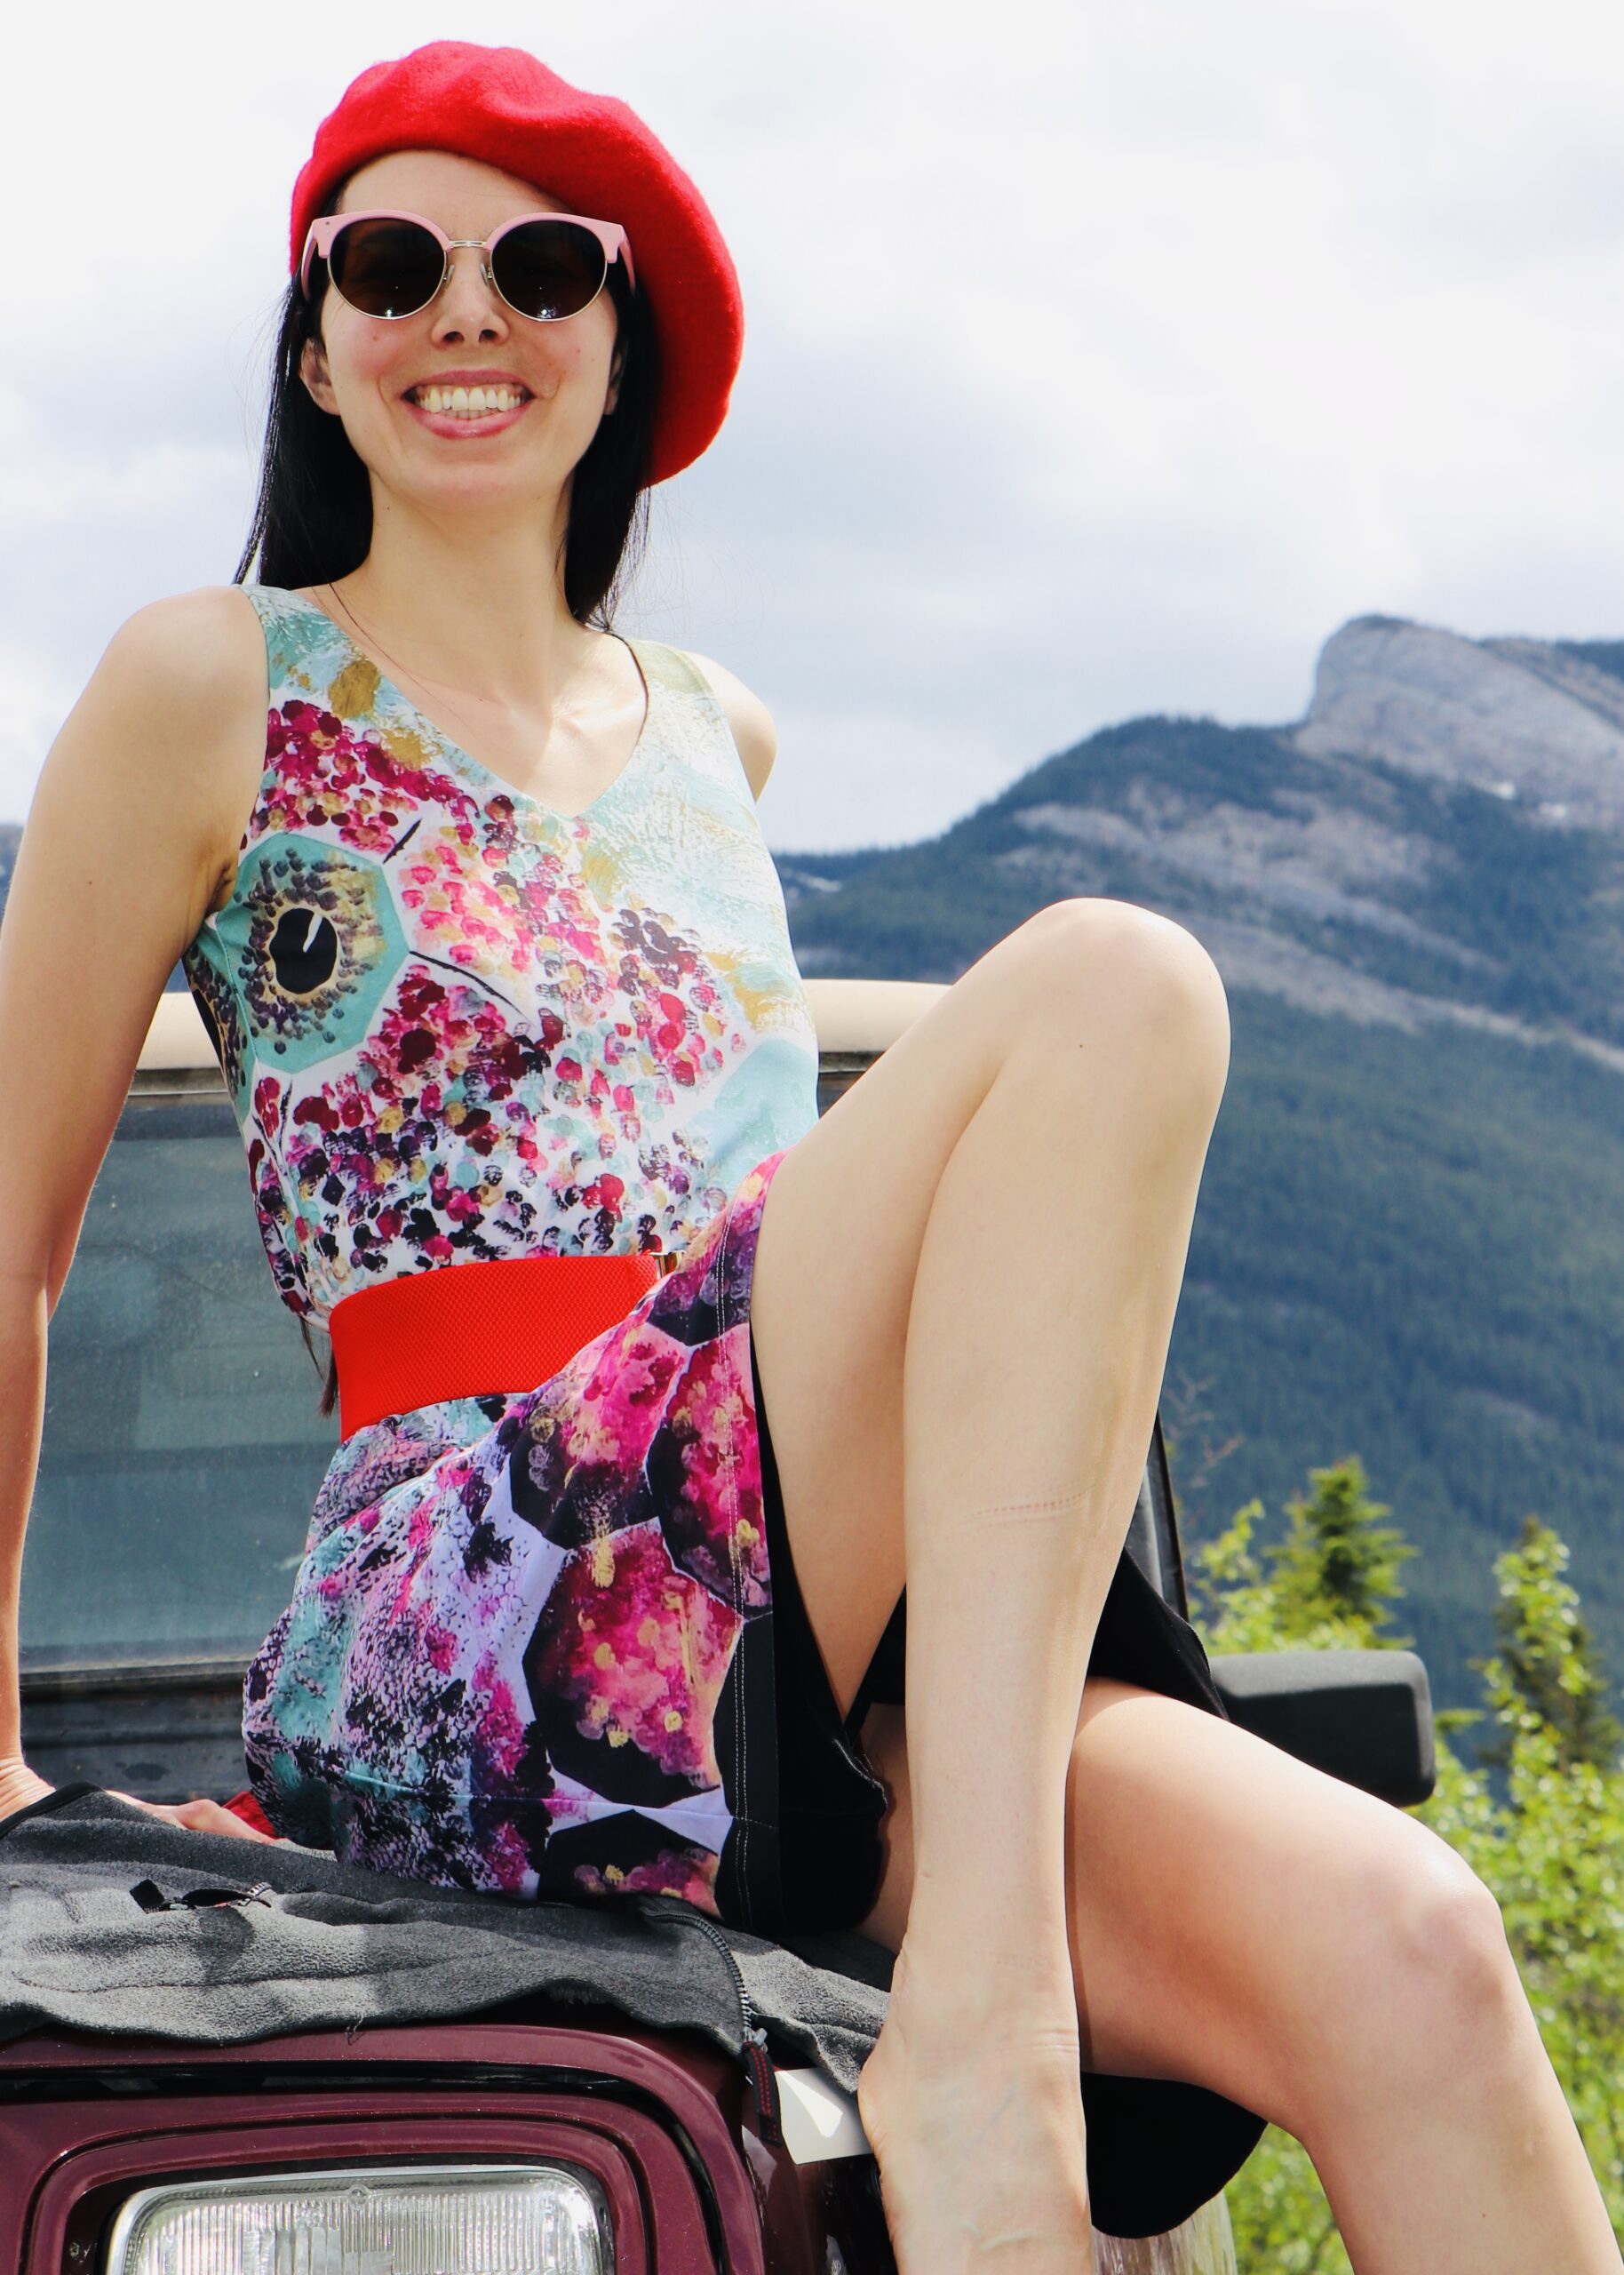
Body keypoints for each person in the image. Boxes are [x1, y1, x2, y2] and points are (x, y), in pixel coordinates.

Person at [0, 37, 1616, 2274]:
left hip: (793, 1626)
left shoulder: (718, 730)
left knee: (1405, 1944)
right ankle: (980, 2025)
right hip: (466, 1594)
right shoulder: (209, 680)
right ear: (316, 343)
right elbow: (7, 1253)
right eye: (393, 261)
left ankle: (983, 1992)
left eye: (540, 265)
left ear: (620, 342)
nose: (466, 312)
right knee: (1117, 980)